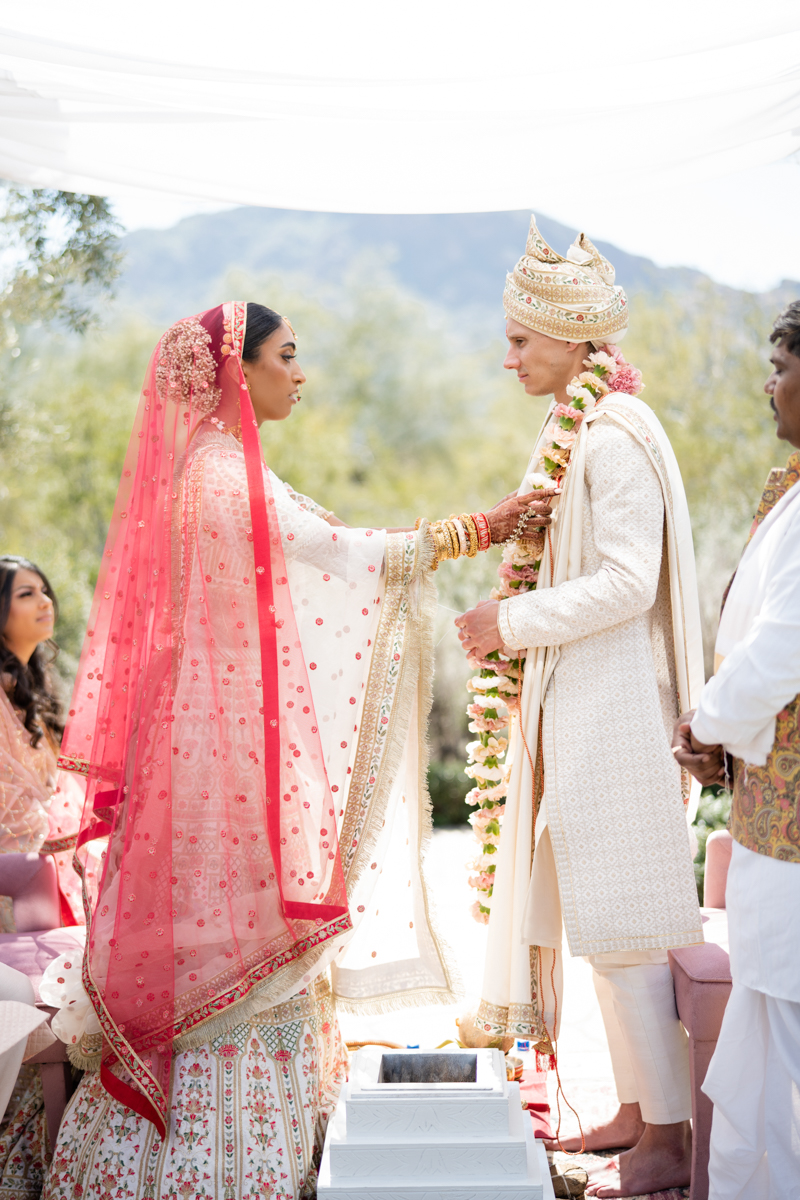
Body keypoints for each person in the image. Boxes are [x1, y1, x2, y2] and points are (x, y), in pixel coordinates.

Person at [41, 301, 549, 1200]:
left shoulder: (214, 466)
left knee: (217, 932)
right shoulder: (224, 476)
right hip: (217, 760)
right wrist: (482, 527)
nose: (300, 374)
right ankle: (216, 1171)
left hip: (212, 747)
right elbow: (339, 552)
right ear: (241, 369)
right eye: (287, 355)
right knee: (229, 938)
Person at [456, 217, 705, 1198]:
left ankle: (668, 1143)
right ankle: (637, 1115)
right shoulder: (584, 430)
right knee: (602, 924)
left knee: (631, 929)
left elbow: (624, 580)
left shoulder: (612, 437)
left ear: (569, 339)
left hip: (614, 713)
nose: (507, 355)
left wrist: (506, 622)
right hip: (580, 710)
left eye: (520, 338)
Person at [673, 300, 800, 1197]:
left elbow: (779, 653)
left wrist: (706, 722)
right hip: (771, 812)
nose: (770, 382)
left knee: (782, 1041)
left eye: (781, 365)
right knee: (767, 1041)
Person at [0, 555, 86, 927]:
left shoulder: (31, 689)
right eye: (26, 593)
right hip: (15, 881)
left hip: (43, 866)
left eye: (45, 591)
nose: (46, 601)